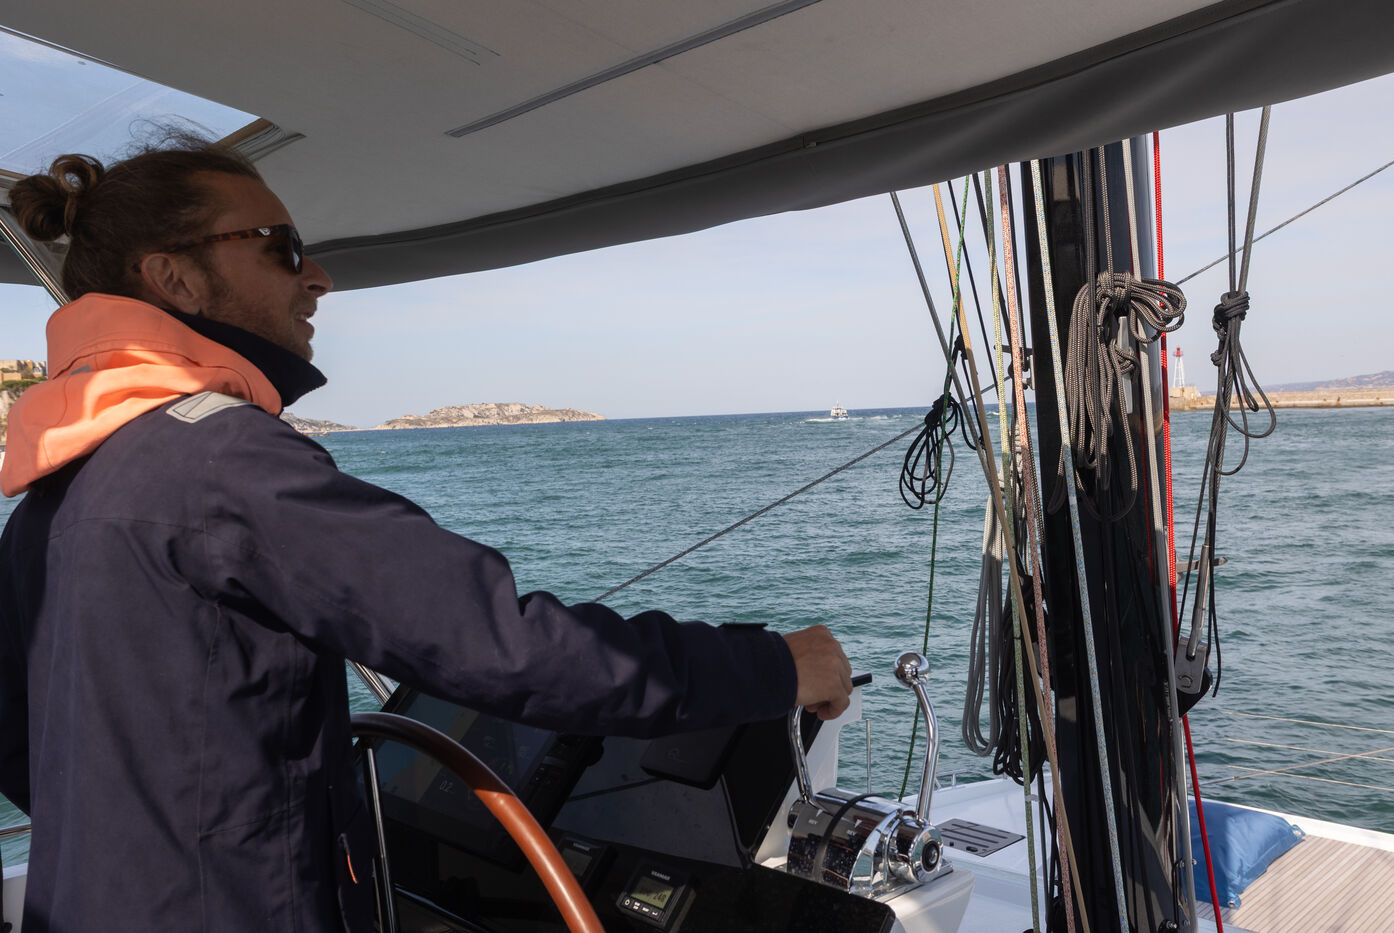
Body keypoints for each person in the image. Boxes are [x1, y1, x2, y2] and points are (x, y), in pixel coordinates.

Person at [0, 139, 854, 932]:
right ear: (174, 278)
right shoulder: (225, 459)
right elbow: (505, 647)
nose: (318, 277)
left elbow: (18, 742)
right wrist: (775, 665)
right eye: (282, 249)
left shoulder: (64, 478)